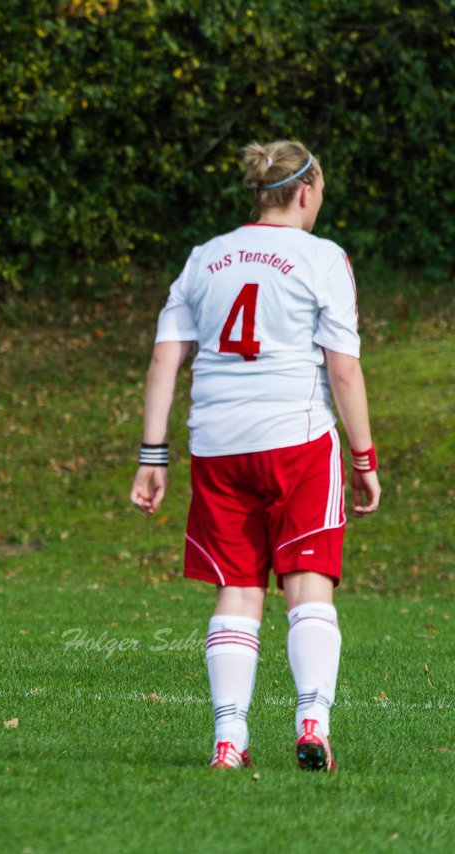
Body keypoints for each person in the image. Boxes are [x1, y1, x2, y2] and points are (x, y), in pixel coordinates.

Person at [131, 140, 381, 770]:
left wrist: (152, 454)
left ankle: (228, 740)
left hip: (218, 445)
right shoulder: (324, 259)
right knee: (307, 586)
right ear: (306, 191)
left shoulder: (204, 258)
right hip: (296, 442)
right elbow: (344, 370)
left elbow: (167, 357)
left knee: (238, 590)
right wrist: (364, 457)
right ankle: (312, 724)